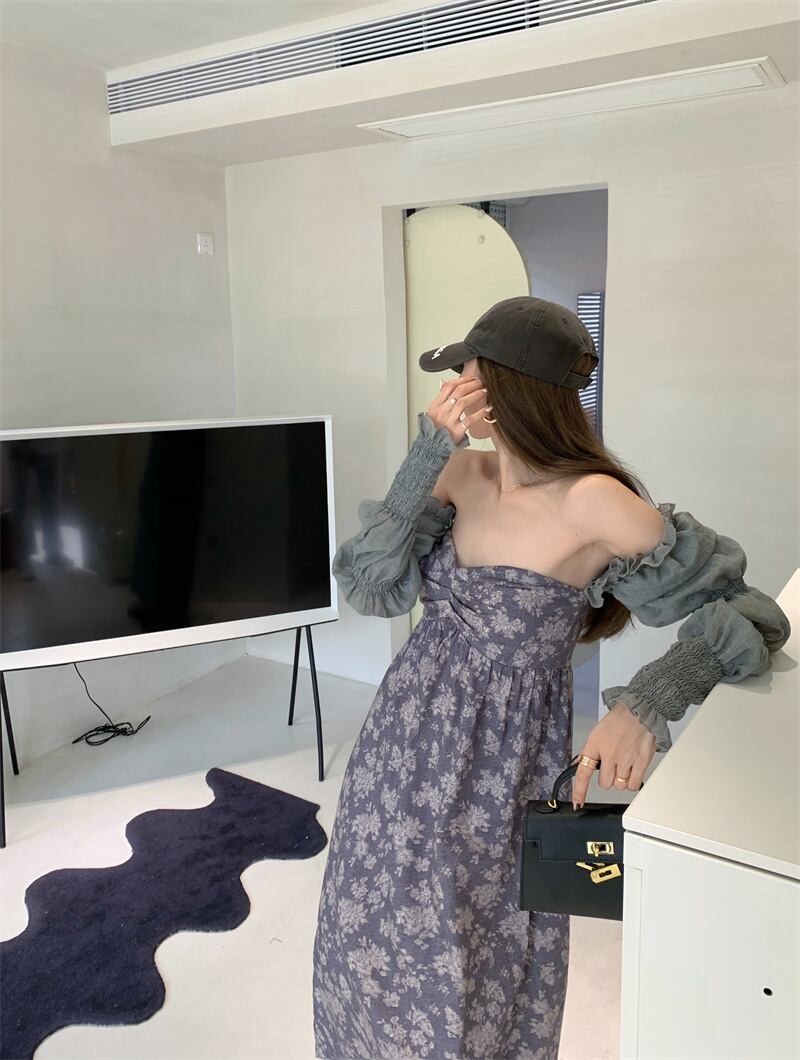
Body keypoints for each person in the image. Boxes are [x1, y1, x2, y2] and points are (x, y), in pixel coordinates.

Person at [312, 296, 790, 1060]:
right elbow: (370, 588)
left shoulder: (594, 501)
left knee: (470, 957)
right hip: (396, 751)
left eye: (465, 371)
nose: (452, 388)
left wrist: (648, 702)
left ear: (500, 384)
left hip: (497, 771)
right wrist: (425, 454)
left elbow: (752, 613)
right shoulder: (460, 473)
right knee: (366, 934)